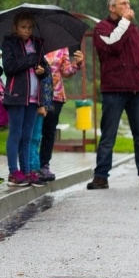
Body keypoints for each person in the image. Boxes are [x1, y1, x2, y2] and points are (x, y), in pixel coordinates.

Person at [88, 0, 139, 190]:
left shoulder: (135, 30)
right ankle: (100, 176)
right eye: (123, 3)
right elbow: (113, 45)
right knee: (108, 136)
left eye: (128, 2)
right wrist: (125, 23)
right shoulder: (101, 28)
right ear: (112, 8)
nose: (127, 5)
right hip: (114, 90)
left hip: (137, 89)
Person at [1, 11, 49, 187]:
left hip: (34, 97)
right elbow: (9, 67)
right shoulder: (9, 43)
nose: (27, 30)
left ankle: (27, 170)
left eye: (30, 27)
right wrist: (30, 60)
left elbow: (45, 68)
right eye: (23, 27)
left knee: (28, 136)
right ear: (15, 27)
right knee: (16, 134)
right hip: (16, 96)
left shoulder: (37, 44)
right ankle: (14, 172)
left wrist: (43, 70)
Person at [37, 47, 84, 181]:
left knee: (49, 131)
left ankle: (44, 164)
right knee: (33, 131)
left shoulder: (61, 47)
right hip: (36, 93)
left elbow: (66, 71)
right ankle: (30, 166)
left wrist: (77, 64)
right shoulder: (34, 42)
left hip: (55, 95)